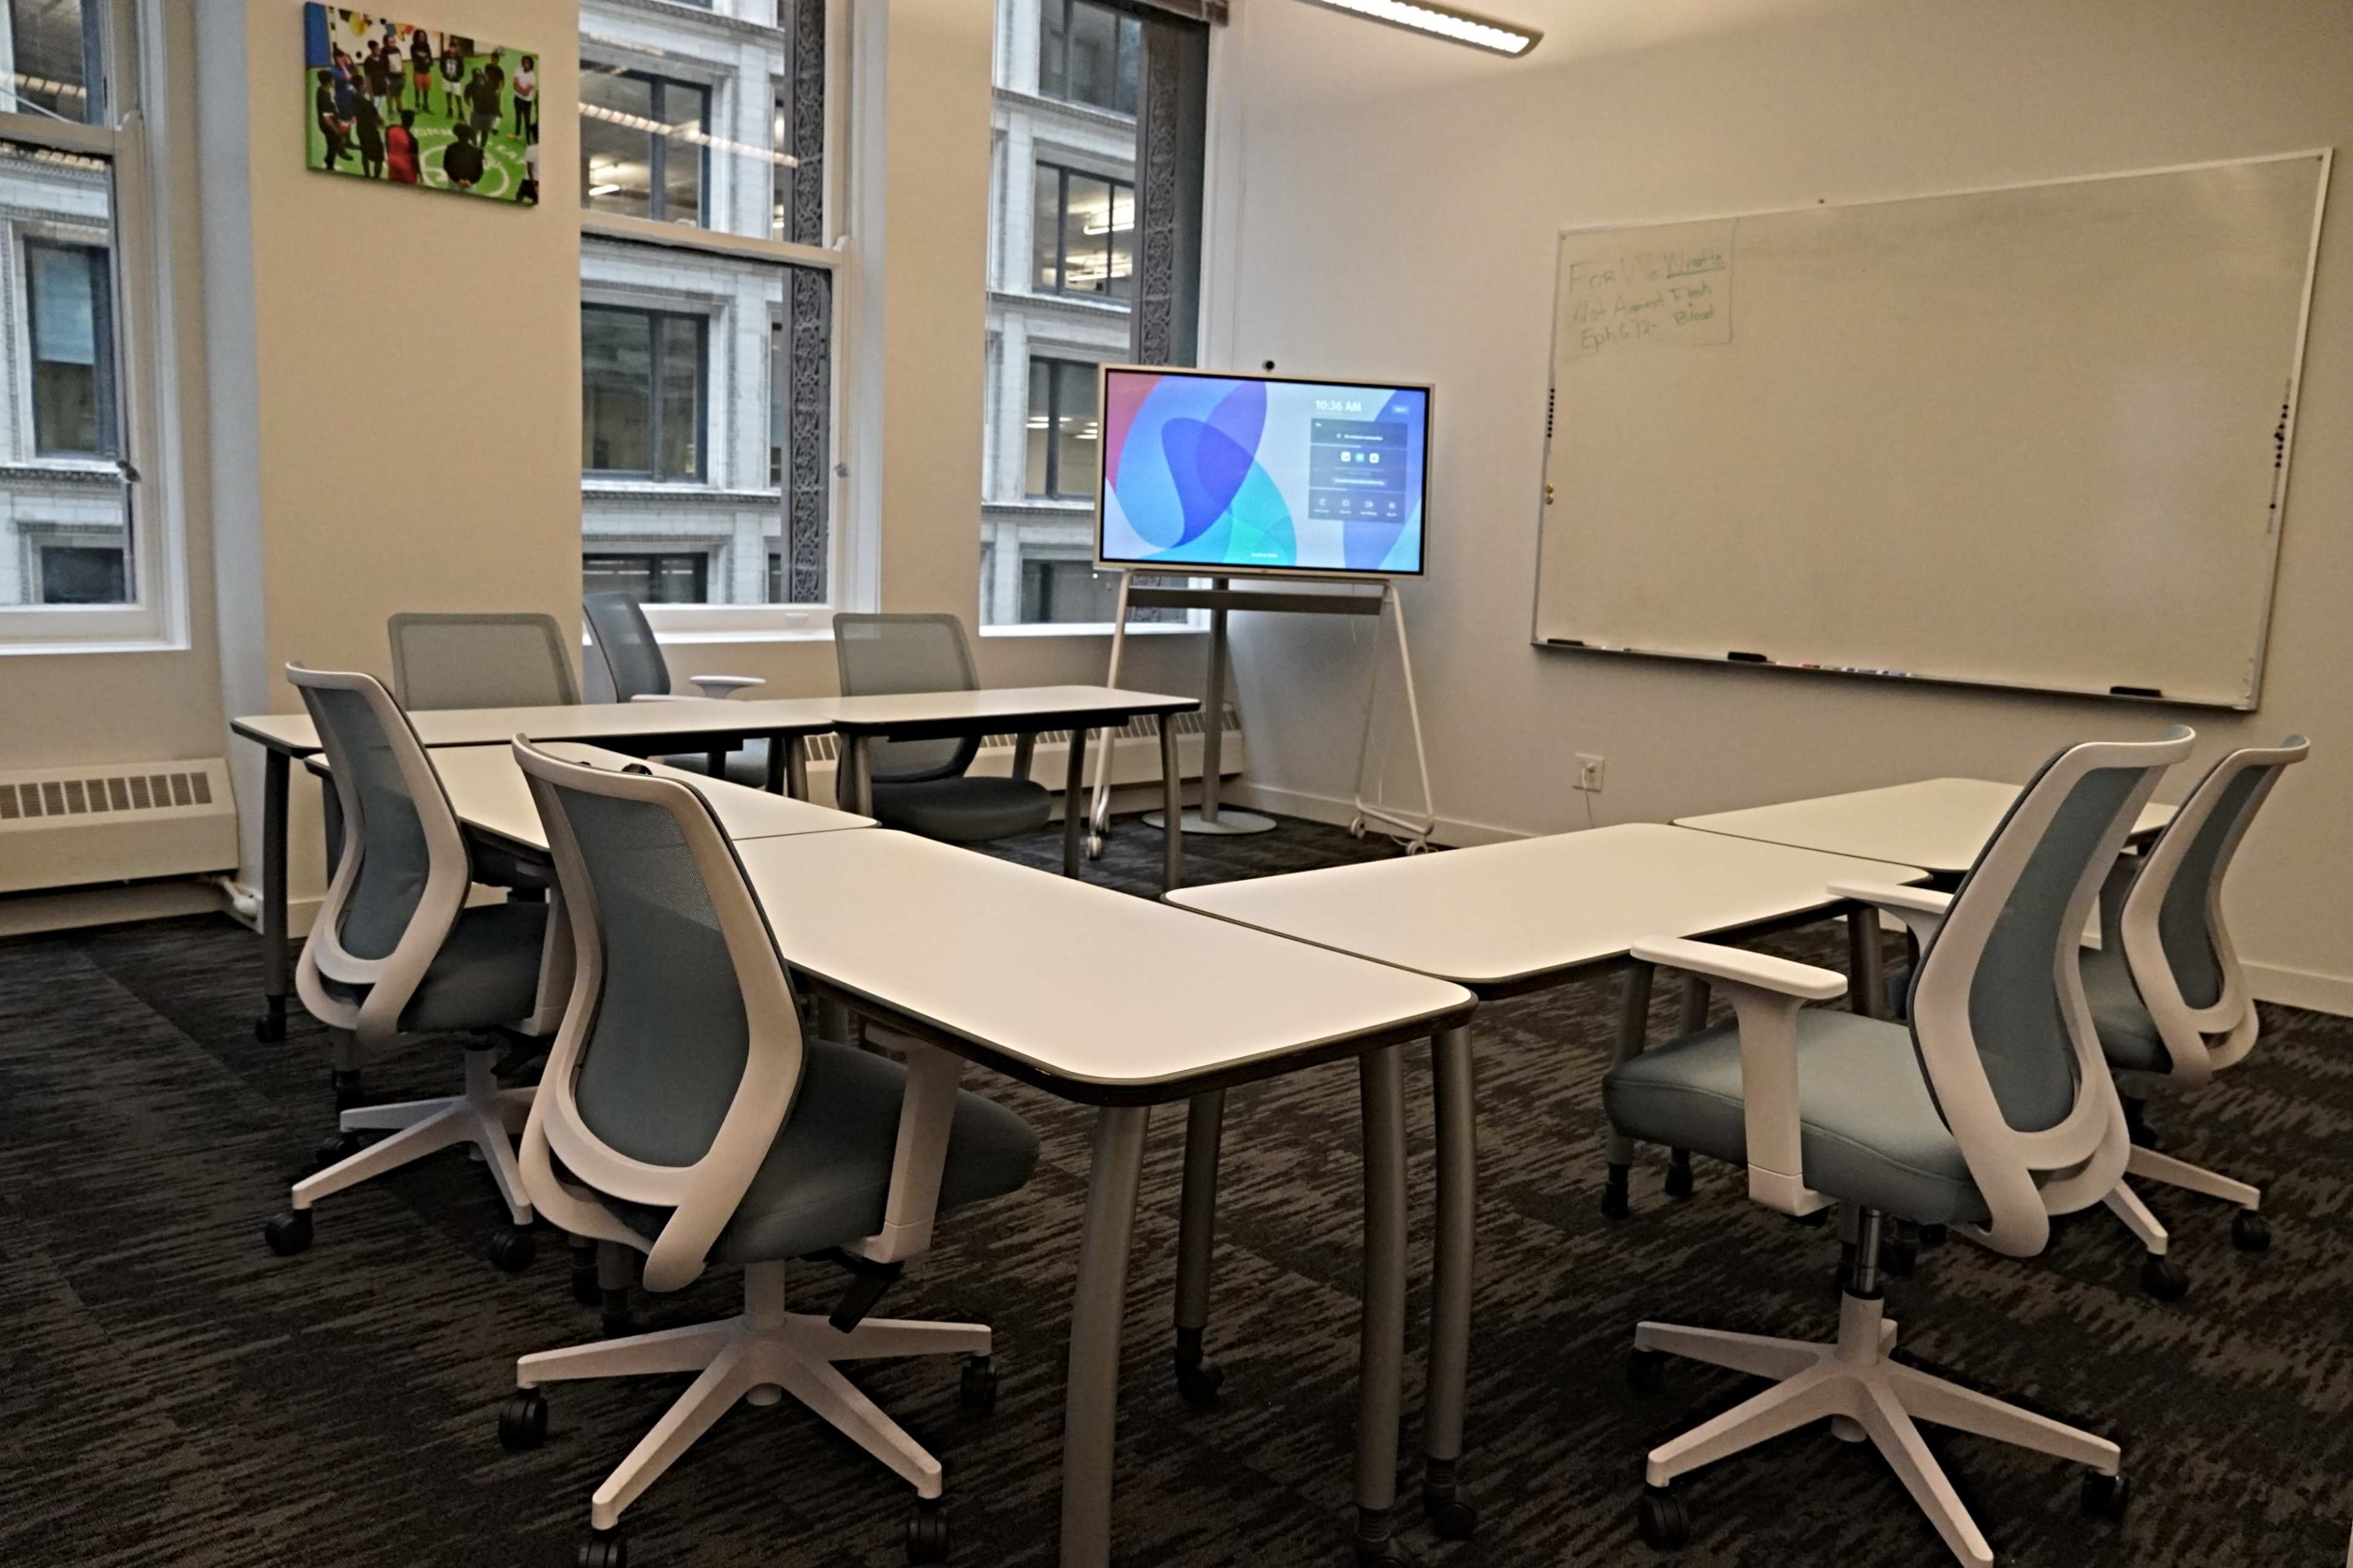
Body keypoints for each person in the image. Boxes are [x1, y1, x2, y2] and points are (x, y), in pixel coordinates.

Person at [313, 67, 349, 173]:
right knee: (333, 147)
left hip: (328, 124)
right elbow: (327, 118)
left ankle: (329, 160)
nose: (334, 81)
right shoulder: (325, 97)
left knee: (333, 145)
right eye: (333, 80)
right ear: (329, 82)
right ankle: (330, 166)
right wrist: (336, 131)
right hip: (330, 127)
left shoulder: (321, 90)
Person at [442, 120, 483, 190]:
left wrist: (458, 180)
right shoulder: (477, 151)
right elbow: (479, 170)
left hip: (454, 183)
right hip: (469, 185)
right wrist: (470, 181)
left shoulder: (451, 148)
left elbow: (447, 166)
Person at [352, 91, 385, 180]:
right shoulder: (368, 104)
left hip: (360, 129)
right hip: (371, 131)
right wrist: (381, 122)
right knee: (379, 157)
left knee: (365, 152)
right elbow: (380, 120)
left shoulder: (355, 101)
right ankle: (376, 178)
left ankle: (367, 174)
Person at [384, 107, 420, 185]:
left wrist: (390, 156)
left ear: (401, 118)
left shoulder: (390, 129)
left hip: (393, 165)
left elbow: (387, 144)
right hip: (407, 171)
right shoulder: (412, 140)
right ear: (412, 122)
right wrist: (420, 174)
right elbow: (415, 159)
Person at [438, 34, 467, 118]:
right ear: (449, 47)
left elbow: (462, 69)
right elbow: (442, 66)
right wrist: (445, 74)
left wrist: (458, 77)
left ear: (457, 48)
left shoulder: (459, 57)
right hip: (447, 79)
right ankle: (450, 110)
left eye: (454, 47)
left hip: (456, 80)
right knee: (448, 94)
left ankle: (461, 112)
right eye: (452, 47)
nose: (453, 49)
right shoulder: (444, 55)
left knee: (458, 96)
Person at [510, 54, 536, 140]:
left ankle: (528, 140)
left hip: (527, 102)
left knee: (527, 120)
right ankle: (517, 135)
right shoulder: (518, 71)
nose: (526, 64)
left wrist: (519, 87)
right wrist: (522, 89)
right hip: (518, 99)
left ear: (531, 64)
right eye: (525, 62)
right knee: (518, 118)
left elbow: (526, 93)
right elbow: (514, 85)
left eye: (528, 63)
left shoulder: (532, 76)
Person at [408, 28, 434, 112]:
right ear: (417, 37)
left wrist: (426, 61)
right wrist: (425, 61)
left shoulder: (427, 46)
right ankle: (417, 106)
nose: (423, 38)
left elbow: (431, 61)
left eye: (424, 36)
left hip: (427, 72)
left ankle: (426, 106)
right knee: (417, 90)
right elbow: (415, 61)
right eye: (421, 36)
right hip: (418, 72)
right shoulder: (413, 47)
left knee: (426, 90)